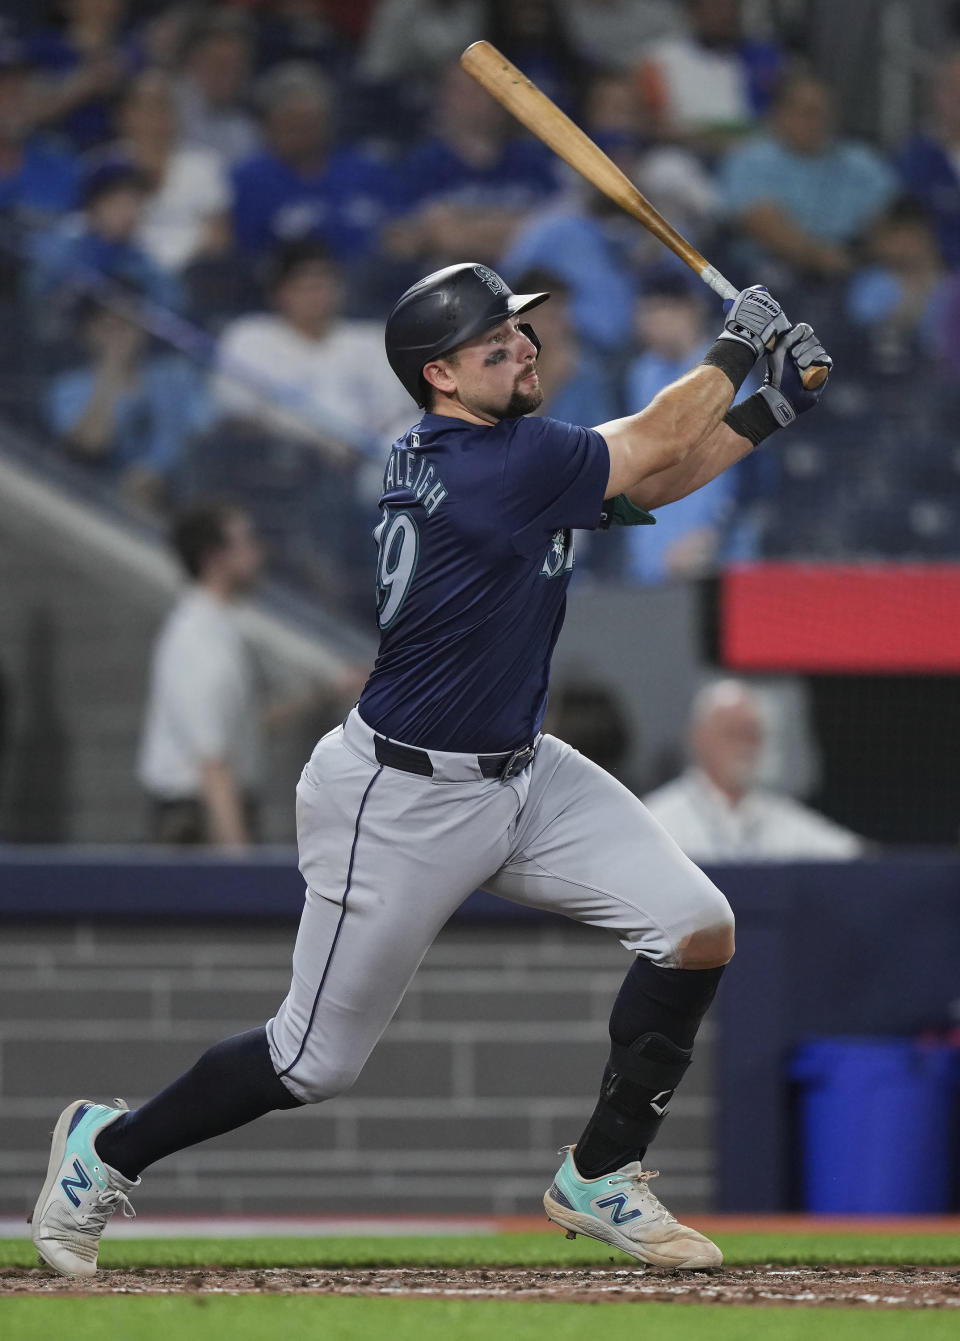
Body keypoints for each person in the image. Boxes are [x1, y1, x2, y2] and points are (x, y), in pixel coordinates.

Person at [30, 262, 832, 1276]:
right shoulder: (492, 461)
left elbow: (658, 476)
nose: (525, 349)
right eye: (498, 347)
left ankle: (601, 1173)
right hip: (399, 796)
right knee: (309, 1061)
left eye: (522, 334)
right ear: (442, 378)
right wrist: (730, 346)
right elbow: (660, 437)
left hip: (521, 772)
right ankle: (103, 1151)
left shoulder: (506, 450)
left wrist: (771, 403)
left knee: (695, 929)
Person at [211, 239, 412, 459]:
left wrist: (357, 446)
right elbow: (237, 414)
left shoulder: (370, 339)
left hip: (366, 460)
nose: (316, 297)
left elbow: (395, 410)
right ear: (278, 293)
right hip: (285, 461)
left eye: (324, 286)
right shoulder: (250, 337)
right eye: (304, 288)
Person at [643, 680, 864, 861]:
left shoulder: (785, 819)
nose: (744, 747)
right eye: (733, 733)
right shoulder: (655, 821)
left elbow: (859, 860)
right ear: (699, 738)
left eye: (752, 736)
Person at [719, 70, 897, 286]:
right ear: (779, 114)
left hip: (855, 261)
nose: (818, 122)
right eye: (808, 112)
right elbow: (761, 223)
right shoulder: (752, 159)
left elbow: (894, 219)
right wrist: (825, 260)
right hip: (773, 267)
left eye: (825, 112)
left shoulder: (861, 162)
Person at [45, 291, 211, 510]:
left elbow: (206, 430)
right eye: (109, 327)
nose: (120, 336)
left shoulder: (176, 374)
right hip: (101, 498)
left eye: (128, 325)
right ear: (89, 333)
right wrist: (111, 371)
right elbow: (90, 445)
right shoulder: (67, 389)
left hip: (178, 493)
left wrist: (156, 472)